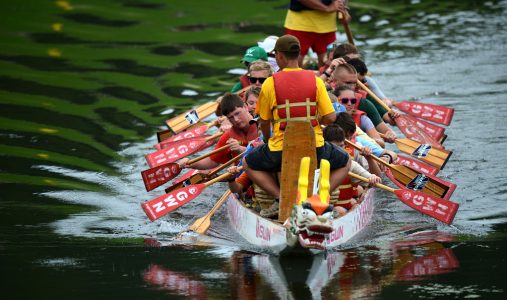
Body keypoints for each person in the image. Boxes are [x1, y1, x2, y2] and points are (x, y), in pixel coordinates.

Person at [243, 34, 351, 218]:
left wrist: (268, 140)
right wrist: (317, 122)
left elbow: (264, 121)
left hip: (280, 149)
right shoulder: (315, 80)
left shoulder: (270, 83)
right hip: (315, 148)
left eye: (276, 54)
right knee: (346, 162)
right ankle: (317, 197)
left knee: (247, 163)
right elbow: (331, 117)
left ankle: (281, 198)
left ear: (281, 56)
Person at [178, 93, 258, 170]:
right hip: (244, 176)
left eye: (237, 113)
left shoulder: (263, 124)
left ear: (245, 107)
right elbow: (212, 161)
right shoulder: (228, 137)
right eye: (231, 117)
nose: (236, 120)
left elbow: (266, 150)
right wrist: (190, 163)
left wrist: (241, 149)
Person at [323, 123, 381, 217]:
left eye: (341, 146)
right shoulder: (314, 163)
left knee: (342, 209)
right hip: (319, 209)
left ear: (345, 145)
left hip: (343, 210)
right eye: (334, 148)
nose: (338, 152)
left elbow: (377, 180)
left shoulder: (350, 164)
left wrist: (373, 176)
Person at [331, 63, 397, 143]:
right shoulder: (325, 97)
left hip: (361, 150)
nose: (352, 87)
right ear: (334, 81)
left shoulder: (364, 103)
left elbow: (387, 131)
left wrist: (391, 135)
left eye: (354, 83)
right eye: (348, 83)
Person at [283, 0, 350, 68]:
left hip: (328, 28)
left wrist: (343, 9)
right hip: (299, 26)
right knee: (292, 65)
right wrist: (327, 8)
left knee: (329, 65)